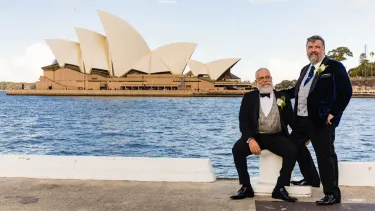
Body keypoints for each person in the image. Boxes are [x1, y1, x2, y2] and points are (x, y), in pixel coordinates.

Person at [285, 35, 352, 205]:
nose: (313, 50)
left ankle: (332, 194)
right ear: (306, 49)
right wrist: (276, 94)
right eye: (310, 47)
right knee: (293, 146)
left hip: (321, 121)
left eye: (317, 47)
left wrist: (334, 113)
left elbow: (346, 92)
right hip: (301, 121)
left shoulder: (334, 67)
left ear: (323, 49)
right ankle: (311, 178)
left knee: (325, 156)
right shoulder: (305, 69)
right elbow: (297, 91)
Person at [230, 68, 298, 202]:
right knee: (237, 150)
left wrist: (303, 135)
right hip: (256, 137)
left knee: (292, 151)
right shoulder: (249, 97)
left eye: (268, 77)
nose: (265, 80)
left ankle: (280, 187)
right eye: (261, 78)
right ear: (256, 81)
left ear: (271, 79)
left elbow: (291, 120)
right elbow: (243, 122)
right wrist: (250, 139)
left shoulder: (282, 97)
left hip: (277, 136)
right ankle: (246, 187)